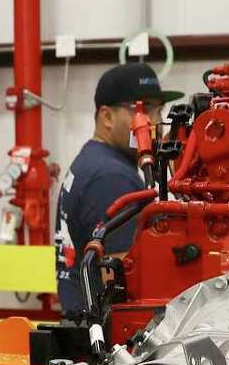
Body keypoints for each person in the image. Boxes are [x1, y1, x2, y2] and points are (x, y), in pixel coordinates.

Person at [53, 60, 181, 315]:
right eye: (145, 110)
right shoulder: (111, 177)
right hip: (104, 336)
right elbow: (123, 280)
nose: (155, 122)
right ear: (107, 117)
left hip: (80, 321)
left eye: (159, 110)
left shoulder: (92, 160)